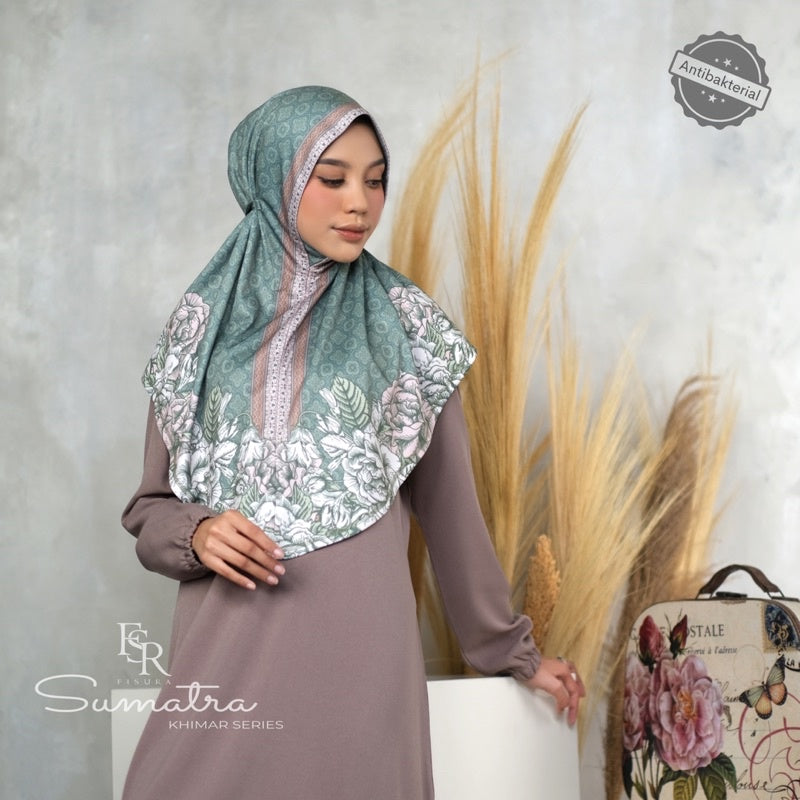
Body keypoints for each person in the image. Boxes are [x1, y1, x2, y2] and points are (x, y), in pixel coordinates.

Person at [121, 85, 584, 800]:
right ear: (275, 181)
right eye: (332, 179)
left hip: (362, 671)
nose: (360, 203)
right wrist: (197, 533)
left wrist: (512, 653)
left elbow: (452, 514)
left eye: (375, 180)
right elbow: (148, 514)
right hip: (225, 668)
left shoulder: (407, 328)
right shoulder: (199, 331)